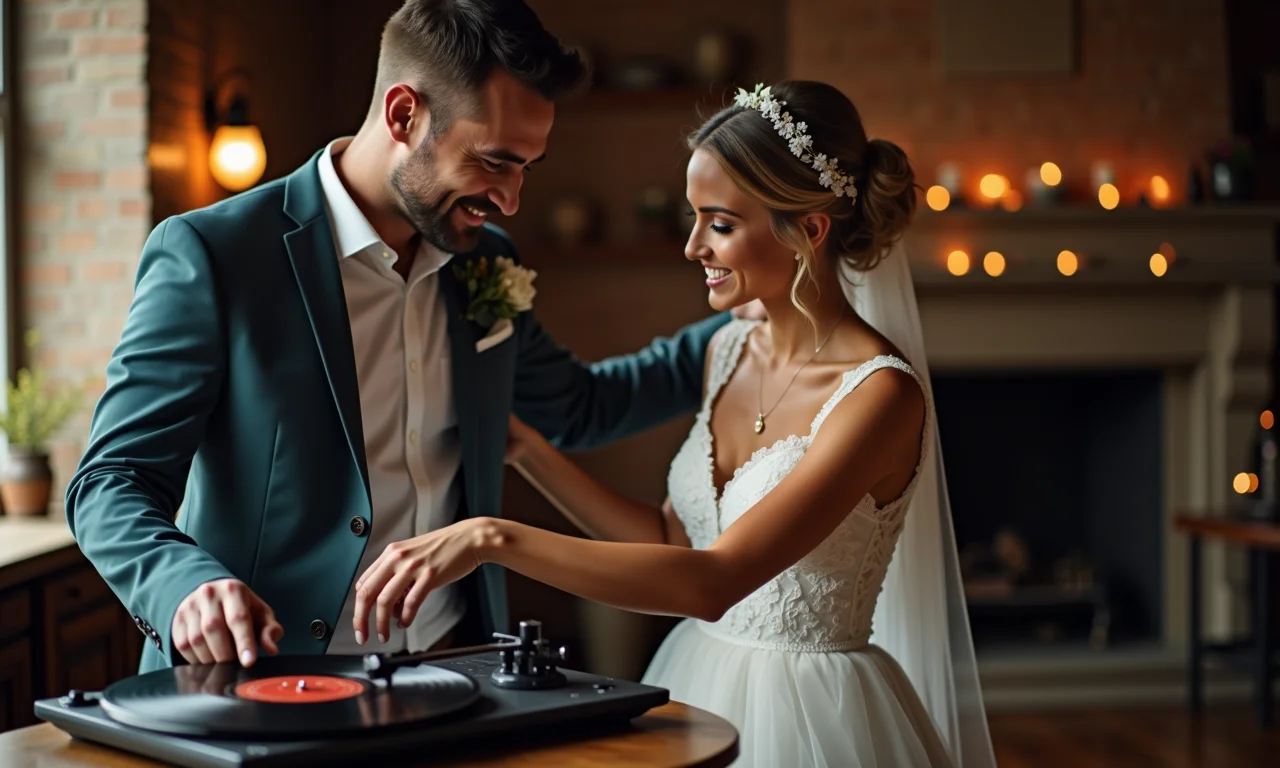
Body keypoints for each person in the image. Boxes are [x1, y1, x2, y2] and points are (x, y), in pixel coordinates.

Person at [63, 0, 731, 675]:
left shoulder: (484, 261)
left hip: (456, 670)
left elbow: (582, 407)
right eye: (494, 162)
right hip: (265, 682)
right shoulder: (216, 253)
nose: (511, 199)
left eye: (527, 167)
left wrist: (748, 323)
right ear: (403, 114)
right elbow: (111, 482)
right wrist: (185, 588)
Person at [350, 80, 997, 767]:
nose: (692, 247)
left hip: (815, 715)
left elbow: (711, 582)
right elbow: (670, 540)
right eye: (695, 218)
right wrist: (530, 452)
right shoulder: (726, 350)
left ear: (808, 230)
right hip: (697, 684)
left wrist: (492, 537)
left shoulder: (879, 396)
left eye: (719, 223)